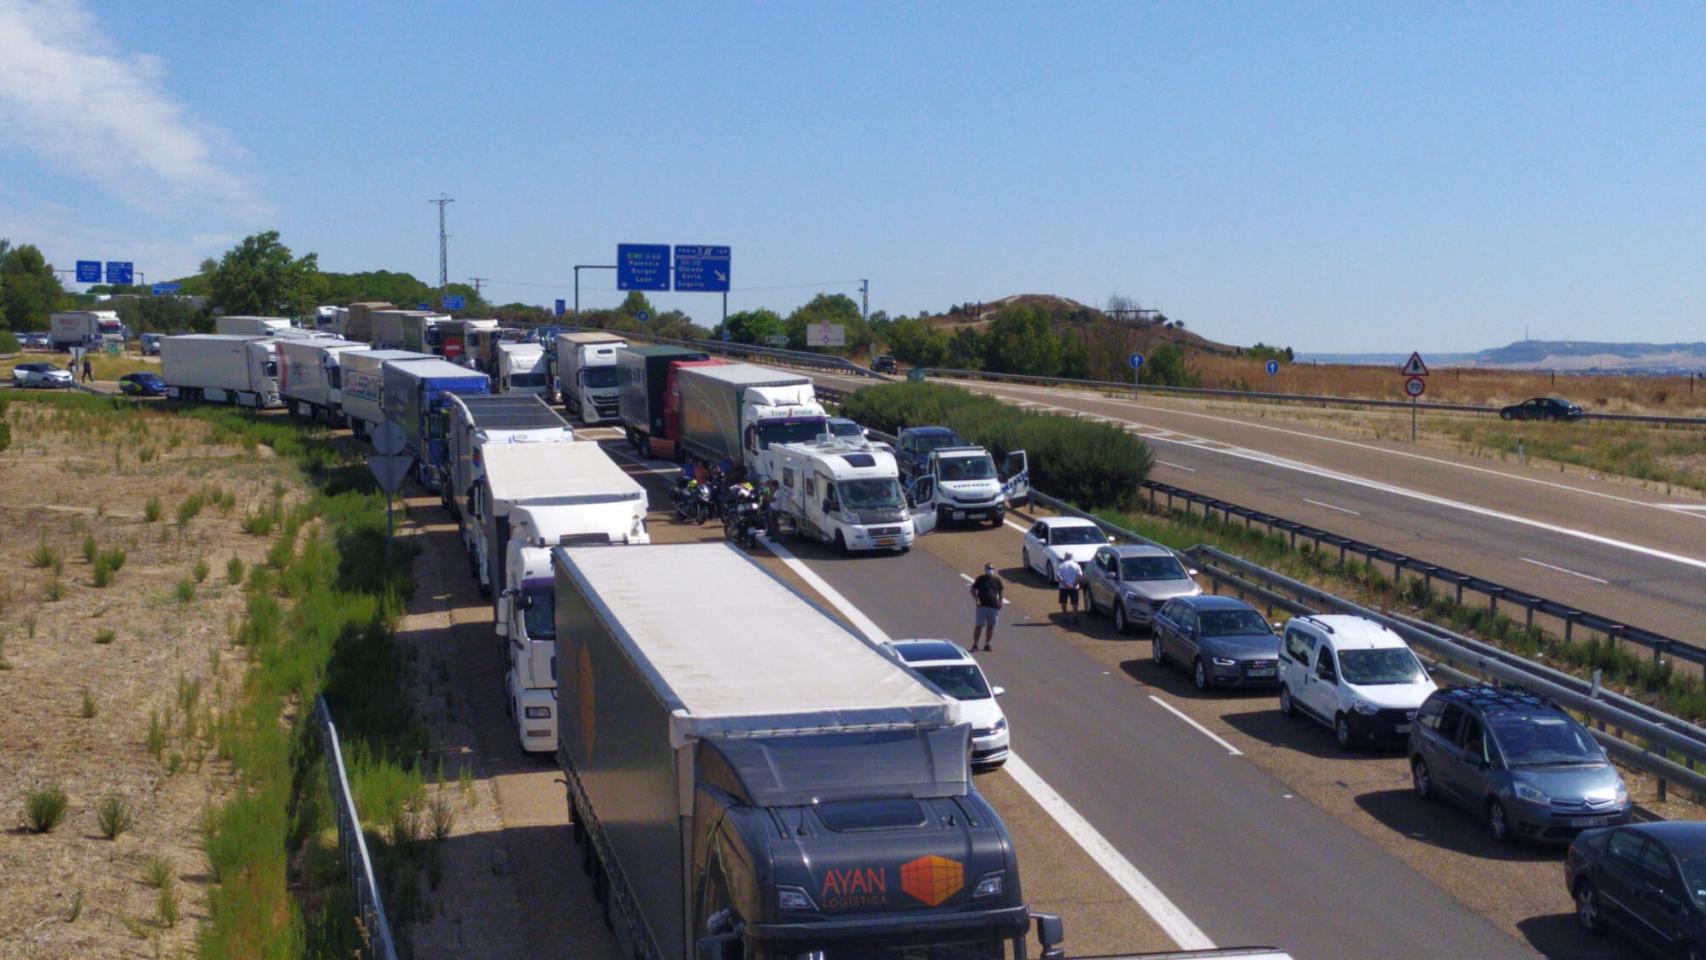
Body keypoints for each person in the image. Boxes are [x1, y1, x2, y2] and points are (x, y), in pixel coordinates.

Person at [969, 563, 1004, 652]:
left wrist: (1000, 602)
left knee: (991, 626)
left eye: (991, 568)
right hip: (982, 606)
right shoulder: (980, 579)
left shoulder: (996, 580)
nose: (990, 570)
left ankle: (987, 644)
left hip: (993, 606)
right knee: (979, 625)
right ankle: (975, 644)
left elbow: (1000, 592)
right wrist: (976, 599)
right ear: (985, 569)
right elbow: (973, 590)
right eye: (988, 568)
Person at [1055, 556, 1084, 623]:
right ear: (1072, 557)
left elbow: (1058, 576)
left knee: (1063, 602)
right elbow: (1079, 575)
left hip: (1063, 587)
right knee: (1075, 603)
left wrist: (1066, 584)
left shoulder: (1061, 565)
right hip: (1074, 587)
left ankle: (1065, 617)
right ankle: (1074, 617)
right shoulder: (1076, 565)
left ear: (1065, 557)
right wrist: (1074, 584)